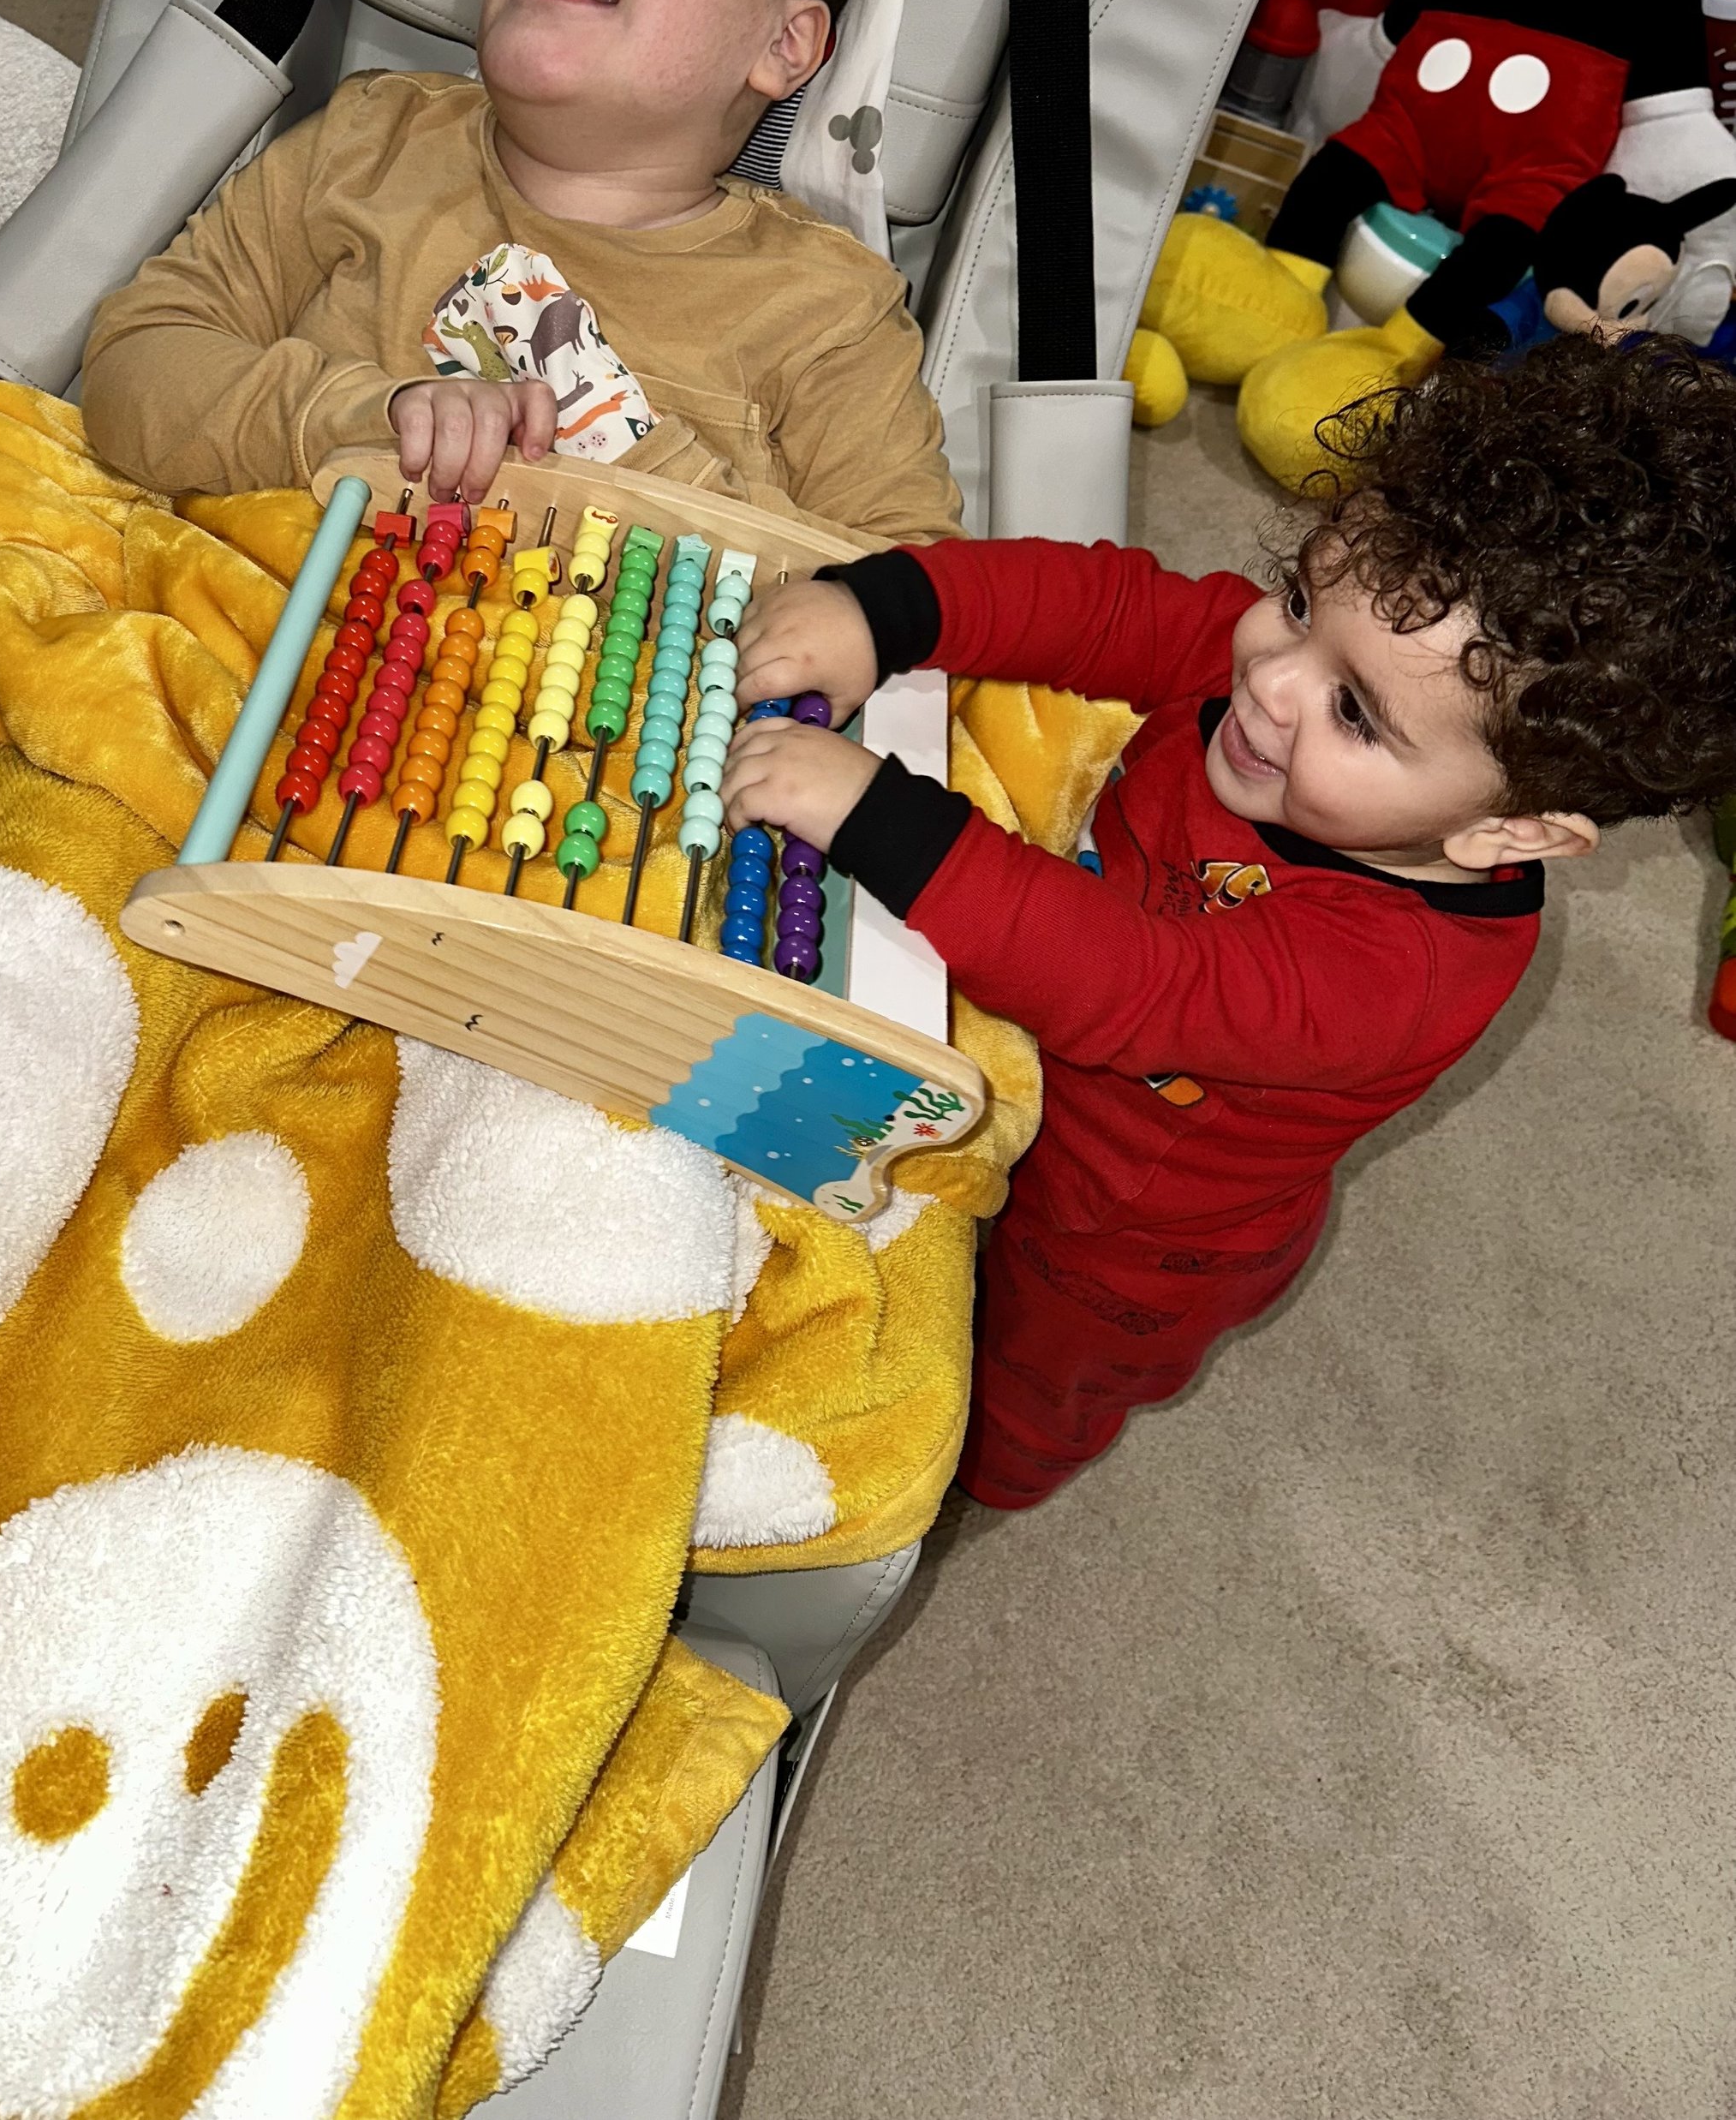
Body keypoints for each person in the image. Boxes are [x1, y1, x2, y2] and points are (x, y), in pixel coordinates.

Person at [720, 339, 1736, 1508]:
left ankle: (967, 1489)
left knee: (1018, 1375)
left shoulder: (1394, 973)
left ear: (1512, 833)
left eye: (1355, 712)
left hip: (1127, 1225)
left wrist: (876, 815)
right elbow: (1109, 606)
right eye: (1299, 598)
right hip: (1034, 1039)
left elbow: (1133, 985)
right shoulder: (1289, 671)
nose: (1270, 679)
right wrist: (889, 606)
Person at [81, 0, 959, 546]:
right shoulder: (370, 140)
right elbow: (132, 366)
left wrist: (621, 458)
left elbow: (912, 602)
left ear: (783, 43)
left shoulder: (827, 311)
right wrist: (362, 417)